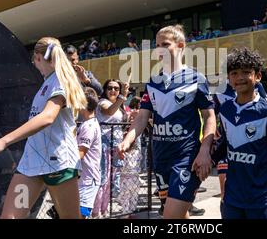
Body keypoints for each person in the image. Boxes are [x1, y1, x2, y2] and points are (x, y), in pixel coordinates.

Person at [0, 37, 87, 219]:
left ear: (37, 57)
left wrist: (3, 141)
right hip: (31, 164)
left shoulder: (60, 81)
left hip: (57, 163)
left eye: (34, 61)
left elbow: (48, 117)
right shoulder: (46, 83)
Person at [117, 25, 216, 219]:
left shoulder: (197, 78)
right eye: (157, 44)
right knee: (179, 215)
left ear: (180, 46)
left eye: (165, 44)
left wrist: (205, 150)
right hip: (160, 158)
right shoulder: (153, 82)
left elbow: (210, 116)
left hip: (186, 158)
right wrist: (128, 139)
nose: (159, 49)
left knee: (169, 217)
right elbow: (142, 117)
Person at [211, 47, 267, 219]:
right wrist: (208, 159)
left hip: (263, 199)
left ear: (258, 76)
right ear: (228, 78)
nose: (240, 77)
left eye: (246, 72)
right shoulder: (226, 109)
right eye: (234, 73)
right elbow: (226, 144)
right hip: (232, 198)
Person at [93, 79, 129, 218]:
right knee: (102, 179)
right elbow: (108, 112)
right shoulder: (103, 102)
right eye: (110, 88)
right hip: (104, 144)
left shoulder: (118, 105)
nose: (113, 91)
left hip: (116, 144)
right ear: (105, 89)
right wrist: (122, 97)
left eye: (116, 88)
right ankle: (96, 212)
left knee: (111, 180)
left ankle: (104, 209)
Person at [76, 87, 102, 219]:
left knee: (80, 216)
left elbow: (80, 153)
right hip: (82, 179)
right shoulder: (86, 124)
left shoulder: (89, 127)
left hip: (87, 181)